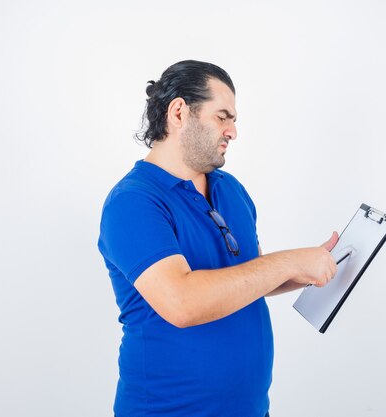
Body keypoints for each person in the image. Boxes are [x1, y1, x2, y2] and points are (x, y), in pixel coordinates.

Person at [98, 60, 339, 417]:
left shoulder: (231, 190)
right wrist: (290, 261)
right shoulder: (133, 201)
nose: (233, 131)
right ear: (179, 112)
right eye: (222, 116)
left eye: (234, 120)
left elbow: (247, 276)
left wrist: (310, 267)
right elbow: (182, 303)